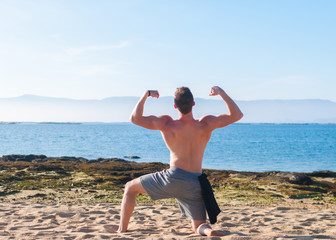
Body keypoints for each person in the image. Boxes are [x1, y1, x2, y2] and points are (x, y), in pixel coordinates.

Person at [117, 86, 243, 236]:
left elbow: (134, 118)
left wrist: (146, 95)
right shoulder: (206, 124)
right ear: (194, 104)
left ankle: (121, 229)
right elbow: (237, 115)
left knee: (130, 188)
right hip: (195, 183)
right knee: (199, 226)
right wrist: (221, 93)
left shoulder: (167, 124)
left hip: (172, 178)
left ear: (175, 106)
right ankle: (208, 231)